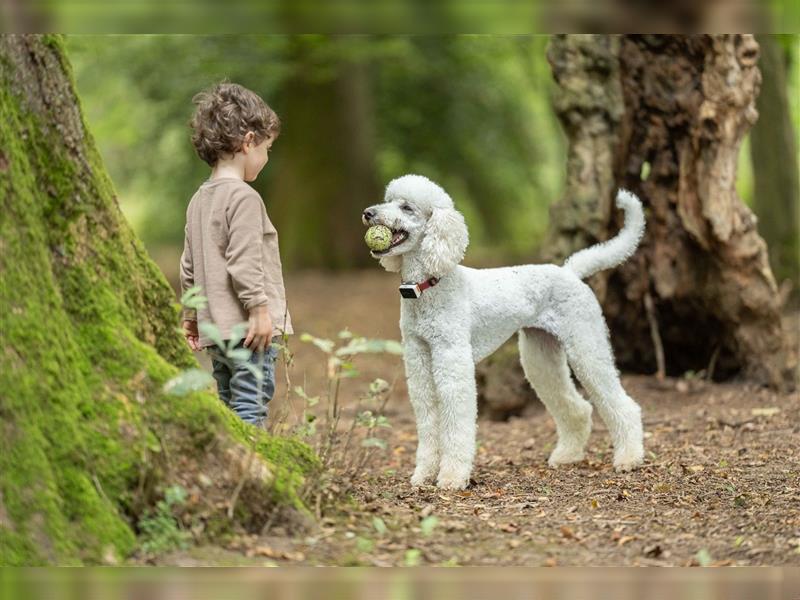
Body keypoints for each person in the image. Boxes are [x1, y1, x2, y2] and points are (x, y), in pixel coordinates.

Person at [179, 81, 293, 427]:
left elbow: (188, 266)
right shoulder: (243, 197)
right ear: (248, 142)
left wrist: (191, 315)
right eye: (267, 148)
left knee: (229, 404)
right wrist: (260, 311)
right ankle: (254, 468)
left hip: (217, 331)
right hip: (248, 330)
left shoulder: (199, 199)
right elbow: (244, 261)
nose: (267, 157)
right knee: (250, 406)